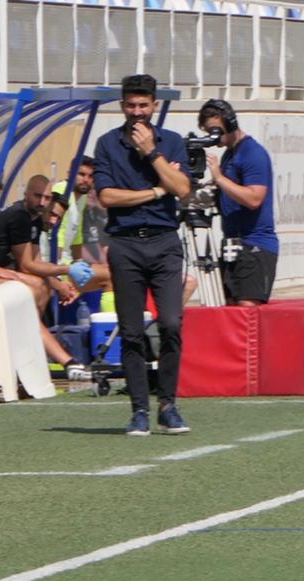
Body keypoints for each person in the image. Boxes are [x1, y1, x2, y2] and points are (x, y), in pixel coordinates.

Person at [92, 73, 192, 435]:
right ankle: (138, 410)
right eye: (131, 106)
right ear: (122, 106)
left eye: (143, 106)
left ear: (154, 106)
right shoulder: (106, 144)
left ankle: (167, 404)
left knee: (171, 323)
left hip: (164, 242)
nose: (137, 112)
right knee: (131, 331)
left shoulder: (172, 142)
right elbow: (106, 197)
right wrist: (154, 191)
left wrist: (152, 153)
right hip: (125, 244)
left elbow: (182, 189)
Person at [0, 175, 86, 373]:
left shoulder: (34, 219)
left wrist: (59, 284)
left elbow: (34, 263)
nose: (42, 202)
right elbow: (27, 266)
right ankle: (54, 357)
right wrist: (67, 270)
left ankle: (31, 348)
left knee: (43, 285)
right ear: (26, 193)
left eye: (46, 198)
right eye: (38, 196)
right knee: (34, 287)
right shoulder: (19, 215)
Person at [200, 99, 277, 307]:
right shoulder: (229, 155)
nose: (213, 137)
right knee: (231, 312)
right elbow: (231, 192)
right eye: (208, 131)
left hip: (254, 245)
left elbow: (254, 198)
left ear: (231, 123)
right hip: (232, 244)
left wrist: (220, 178)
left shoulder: (253, 153)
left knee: (247, 314)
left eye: (215, 131)